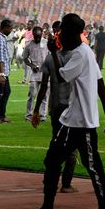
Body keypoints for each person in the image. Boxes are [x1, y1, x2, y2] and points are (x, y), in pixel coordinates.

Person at [21, 13, 105, 209]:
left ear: (73, 33)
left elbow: (61, 76)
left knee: (92, 166)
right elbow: (100, 82)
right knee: (55, 160)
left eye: (63, 31)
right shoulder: (86, 52)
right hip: (72, 119)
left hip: (82, 122)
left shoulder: (80, 55)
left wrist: (54, 53)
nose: (60, 35)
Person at [29, 44, 78, 194]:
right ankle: (66, 183)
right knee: (71, 147)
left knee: (56, 142)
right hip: (70, 108)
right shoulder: (74, 57)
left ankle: (50, 178)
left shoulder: (50, 58)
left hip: (55, 107)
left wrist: (36, 109)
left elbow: (44, 86)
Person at [23, 26, 49, 122]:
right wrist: (31, 65)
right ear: (33, 35)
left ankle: (42, 115)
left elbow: (51, 56)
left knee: (45, 95)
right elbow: (25, 58)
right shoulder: (29, 45)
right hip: (34, 74)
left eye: (39, 36)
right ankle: (29, 114)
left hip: (46, 74)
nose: (37, 38)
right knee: (32, 95)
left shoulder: (46, 43)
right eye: (36, 36)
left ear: (42, 34)